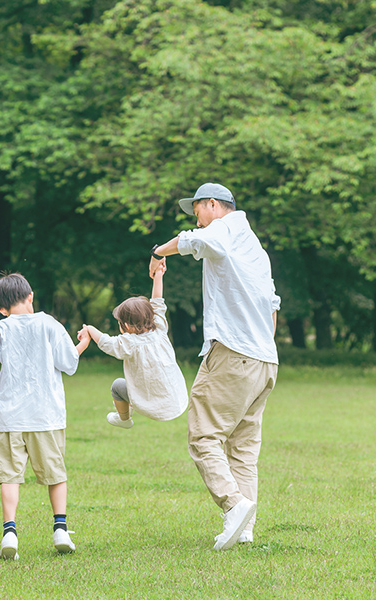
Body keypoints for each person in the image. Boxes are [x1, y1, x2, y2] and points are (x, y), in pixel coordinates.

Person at [148, 183, 280, 551]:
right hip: (265, 361)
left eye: (197, 212)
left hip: (233, 355)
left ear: (211, 205)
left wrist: (160, 251)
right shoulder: (256, 248)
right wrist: (261, 346)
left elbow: (196, 241)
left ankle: (234, 506)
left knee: (204, 436)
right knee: (243, 447)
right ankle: (246, 527)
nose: (196, 220)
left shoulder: (225, 227)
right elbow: (272, 307)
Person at [0, 273, 90, 560]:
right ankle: (60, 528)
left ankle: (9, 532)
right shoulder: (49, 324)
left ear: (0, 308)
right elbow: (69, 364)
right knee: (55, 474)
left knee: (10, 476)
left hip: (11, 417)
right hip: (47, 416)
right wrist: (83, 342)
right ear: (31, 295)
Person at [78, 261, 188, 429]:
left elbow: (107, 343)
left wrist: (90, 329)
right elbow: (158, 301)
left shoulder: (130, 342)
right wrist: (158, 275)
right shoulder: (159, 327)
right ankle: (127, 407)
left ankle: (124, 419)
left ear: (127, 326)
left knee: (117, 387)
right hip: (176, 400)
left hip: (151, 404)